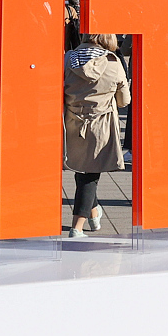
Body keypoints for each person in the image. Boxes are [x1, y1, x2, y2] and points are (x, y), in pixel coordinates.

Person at [63, 31, 130, 237]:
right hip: (101, 123)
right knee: (90, 175)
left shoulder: (68, 58)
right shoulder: (113, 62)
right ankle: (77, 227)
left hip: (73, 122)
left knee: (82, 169)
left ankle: (93, 214)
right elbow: (124, 100)